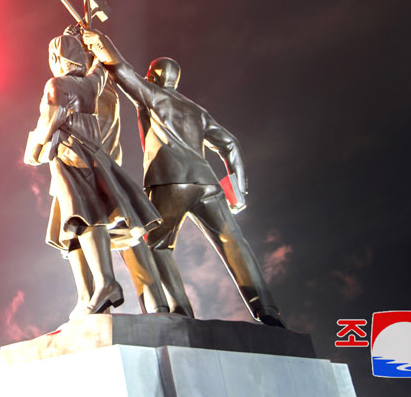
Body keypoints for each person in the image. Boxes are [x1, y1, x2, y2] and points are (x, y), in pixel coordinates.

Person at [79, 29, 286, 327]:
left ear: (155, 76)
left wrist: (96, 42)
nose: (146, 77)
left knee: (151, 243)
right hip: (207, 183)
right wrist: (237, 188)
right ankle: (268, 311)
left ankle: (178, 312)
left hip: (170, 182)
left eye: (149, 73)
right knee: (234, 243)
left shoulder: (154, 96)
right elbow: (229, 143)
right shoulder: (196, 110)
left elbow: (121, 69)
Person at [24, 29, 161, 319]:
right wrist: (87, 42)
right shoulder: (91, 84)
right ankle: (89, 295)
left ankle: (105, 284)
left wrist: (34, 148)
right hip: (93, 157)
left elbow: (51, 119)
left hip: (69, 157)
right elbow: (99, 67)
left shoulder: (56, 84)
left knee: (82, 218)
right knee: (72, 226)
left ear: (56, 58)